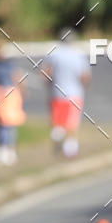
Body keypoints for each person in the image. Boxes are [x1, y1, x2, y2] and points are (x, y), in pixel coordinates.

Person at [44, 29, 91, 158]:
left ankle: (58, 136)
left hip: (56, 94)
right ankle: (70, 150)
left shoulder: (54, 55)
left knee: (58, 122)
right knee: (72, 124)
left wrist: (49, 85)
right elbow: (85, 76)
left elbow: (46, 74)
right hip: (74, 94)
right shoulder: (78, 55)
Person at [0, 41, 26, 165]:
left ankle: (4, 150)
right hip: (4, 95)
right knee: (5, 124)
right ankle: (5, 150)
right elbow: (17, 79)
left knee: (4, 124)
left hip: (3, 96)